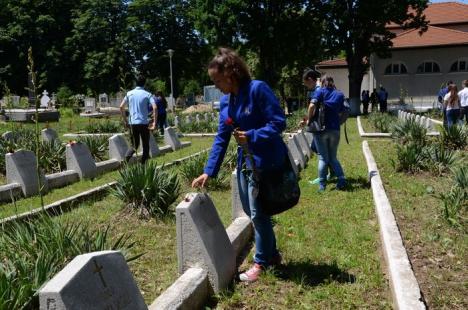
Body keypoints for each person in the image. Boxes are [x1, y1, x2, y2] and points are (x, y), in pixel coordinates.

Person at [191, 47, 286, 282]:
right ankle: (272, 255)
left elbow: (278, 122)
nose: (215, 85)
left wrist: (252, 135)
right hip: (246, 164)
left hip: (265, 160)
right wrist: (208, 172)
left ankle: (262, 261)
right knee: (253, 211)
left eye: (217, 79)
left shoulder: (257, 89)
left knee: (259, 212)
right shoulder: (226, 103)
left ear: (231, 73)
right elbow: (222, 138)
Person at [303, 75, 346, 192]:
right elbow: (344, 111)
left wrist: (309, 120)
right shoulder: (340, 94)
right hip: (335, 130)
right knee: (333, 158)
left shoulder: (320, 92)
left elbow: (312, 105)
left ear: (322, 83)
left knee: (323, 158)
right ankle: (342, 180)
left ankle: (322, 185)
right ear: (333, 82)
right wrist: (338, 122)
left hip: (320, 130)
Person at [302, 69, 334, 183]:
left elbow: (313, 107)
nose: (306, 86)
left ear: (310, 80)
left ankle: (323, 178)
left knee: (321, 153)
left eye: (306, 83)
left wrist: (308, 120)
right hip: (323, 125)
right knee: (316, 148)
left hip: (319, 126)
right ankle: (333, 171)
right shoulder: (320, 88)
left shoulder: (318, 90)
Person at [120, 75, 156, 164]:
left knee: (134, 145)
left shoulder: (129, 93)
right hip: (143, 123)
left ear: (136, 83)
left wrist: (125, 121)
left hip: (133, 123)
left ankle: (125, 161)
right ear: (145, 83)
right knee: (146, 145)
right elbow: (155, 107)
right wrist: (154, 122)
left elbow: (121, 107)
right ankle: (143, 165)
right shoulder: (147, 94)